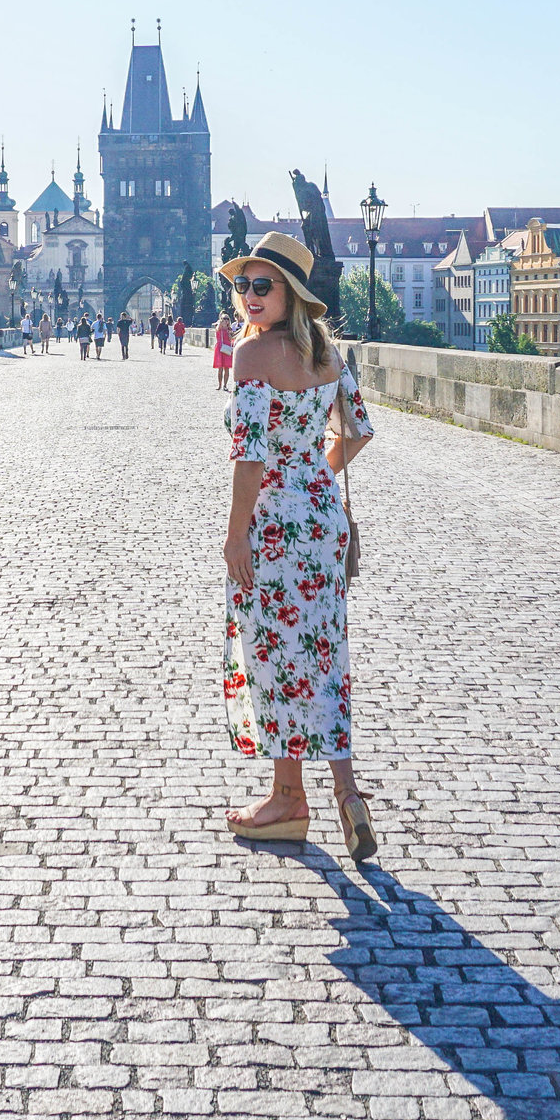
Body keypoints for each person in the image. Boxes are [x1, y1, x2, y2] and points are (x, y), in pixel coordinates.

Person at [216, 232, 376, 857]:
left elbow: (250, 457)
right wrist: (313, 475)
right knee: (322, 652)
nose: (250, 296)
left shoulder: (251, 355)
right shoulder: (330, 355)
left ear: (293, 294)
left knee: (276, 655)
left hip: (275, 526)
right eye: (243, 285)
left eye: (264, 285)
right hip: (322, 518)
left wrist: (237, 534)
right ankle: (347, 794)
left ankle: (288, 797)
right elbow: (358, 432)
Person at [211, 310, 235, 389]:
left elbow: (231, 339)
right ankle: (219, 385)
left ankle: (225, 385)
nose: (226, 320)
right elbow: (217, 328)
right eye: (224, 318)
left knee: (226, 368)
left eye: (227, 319)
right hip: (219, 348)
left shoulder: (229, 329)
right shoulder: (219, 328)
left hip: (227, 347)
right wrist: (221, 322)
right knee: (220, 368)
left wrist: (230, 334)